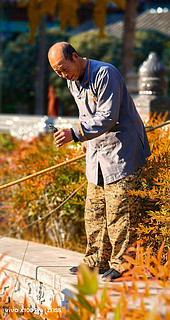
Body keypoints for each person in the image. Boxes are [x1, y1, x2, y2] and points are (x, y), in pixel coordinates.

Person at [48, 42, 151, 281]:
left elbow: (107, 116)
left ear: (75, 57)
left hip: (121, 152)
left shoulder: (106, 74)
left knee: (119, 213)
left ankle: (123, 265)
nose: (64, 75)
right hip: (97, 154)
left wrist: (75, 133)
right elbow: (87, 115)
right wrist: (85, 139)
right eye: (58, 72)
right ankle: (95, 261)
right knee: (94, 212)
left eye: (64, 68)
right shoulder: (72, 81)